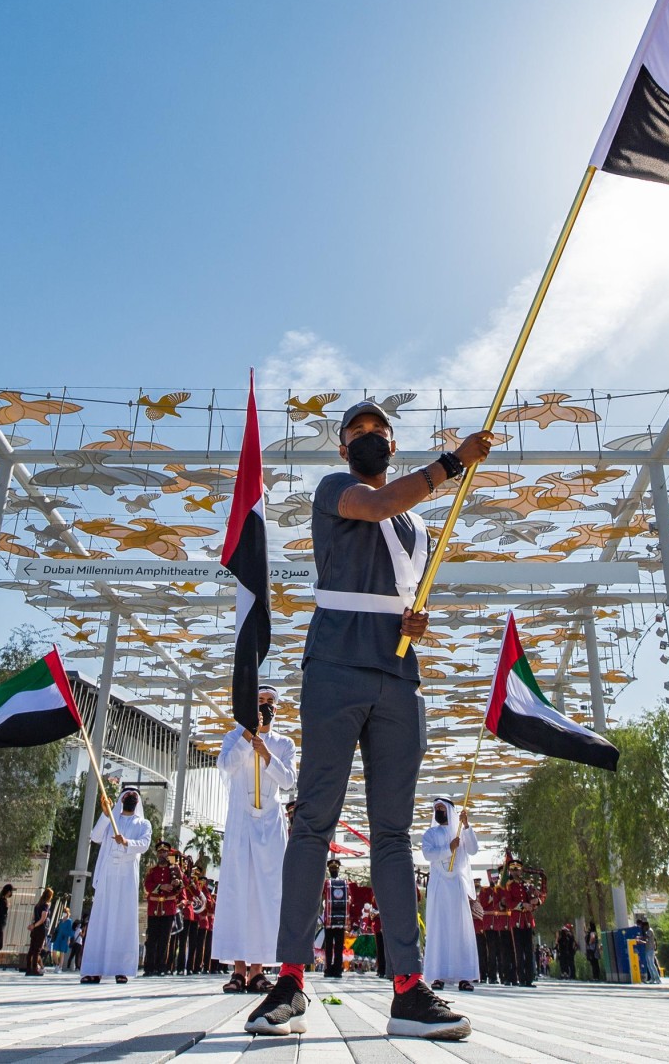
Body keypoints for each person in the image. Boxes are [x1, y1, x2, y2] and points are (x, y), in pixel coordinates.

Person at [249, 401, 496, 1041]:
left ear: (392, 442)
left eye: (379, 431)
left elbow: (404, 590)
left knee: (392, 835)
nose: (369, 438)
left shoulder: (414, 525)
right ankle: (291, 982)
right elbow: (376, 507)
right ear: (343, 449)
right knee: (314, 823)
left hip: (398, 676)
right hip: (334, 666)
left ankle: (408, 992)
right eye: (357, 432)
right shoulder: (338, 490)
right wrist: (453, 461)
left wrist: (414, 619)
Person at [216, 685, 296, 994]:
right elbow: (225, 766)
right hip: (240, 822)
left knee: (266, 894)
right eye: (259, 700)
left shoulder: (284, 743)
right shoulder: (233, 736)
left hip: (270, 826)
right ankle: (238, 969)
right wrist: (248, 738)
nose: (264, 706)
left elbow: (289, 781)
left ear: (278, 708)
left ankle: (259, 969)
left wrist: (266, 754)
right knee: (238, 891)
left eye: (269, 702)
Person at [80, 787, 152, 983]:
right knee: (100, 920)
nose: (130, 798)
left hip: (127, 877)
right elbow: (95, 837)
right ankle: (94, 969)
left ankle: (121, 969)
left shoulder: (143, 823)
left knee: (123, 921)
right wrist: (105, 815)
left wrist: (126, 841)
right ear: (121, 799)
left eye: (133, 796)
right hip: (107, 876)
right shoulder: (110, 820)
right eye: (127, 795)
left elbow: (144, 844)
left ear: (137, 801)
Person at [420, 797, 478, 992]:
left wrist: (467, 826)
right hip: (438, 886)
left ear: (449, 811)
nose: (438, 811)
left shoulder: (460, 832)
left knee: (459, 930)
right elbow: (428, 854)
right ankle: (438, 975)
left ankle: (464, 976)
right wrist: (448, 849)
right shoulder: (430, 833)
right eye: (436, 808)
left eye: (441, 808)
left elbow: (473, 849)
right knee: (439, 928)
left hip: (456, 886)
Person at [143, 844, 180, 976]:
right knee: (151, 939)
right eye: (160, 852)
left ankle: (161, 967)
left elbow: (180, 887)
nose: (162, 854)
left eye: (165, 852)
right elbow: (147, 885)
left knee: (164, 940)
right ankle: (149, 967)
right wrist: (161, 887)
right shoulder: (152, 870)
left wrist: (176, 884)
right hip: (154, 908)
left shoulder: (174, 869)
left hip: (168, 908)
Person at [320, 859, 350, 979]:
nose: (334, 871)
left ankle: (337, 969)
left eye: (335, 869)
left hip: (340, 919)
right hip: (329, 919)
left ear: (338, 869)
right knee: (328, 947)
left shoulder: (344, 883)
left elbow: (348, 900)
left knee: (338, 946)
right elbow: (322, 898)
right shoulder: (326, 883)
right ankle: (328, 969)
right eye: (332, 869)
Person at [23, 886, 53, 975]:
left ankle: (28, 969)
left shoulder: (37, 905)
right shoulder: (45, 905)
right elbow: (43, 918)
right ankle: (35, 969)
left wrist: (32, 925)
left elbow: (34, 917)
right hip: (40, 929)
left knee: (31, 949)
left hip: (35, 930)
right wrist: (35, 925)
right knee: (37, 950)